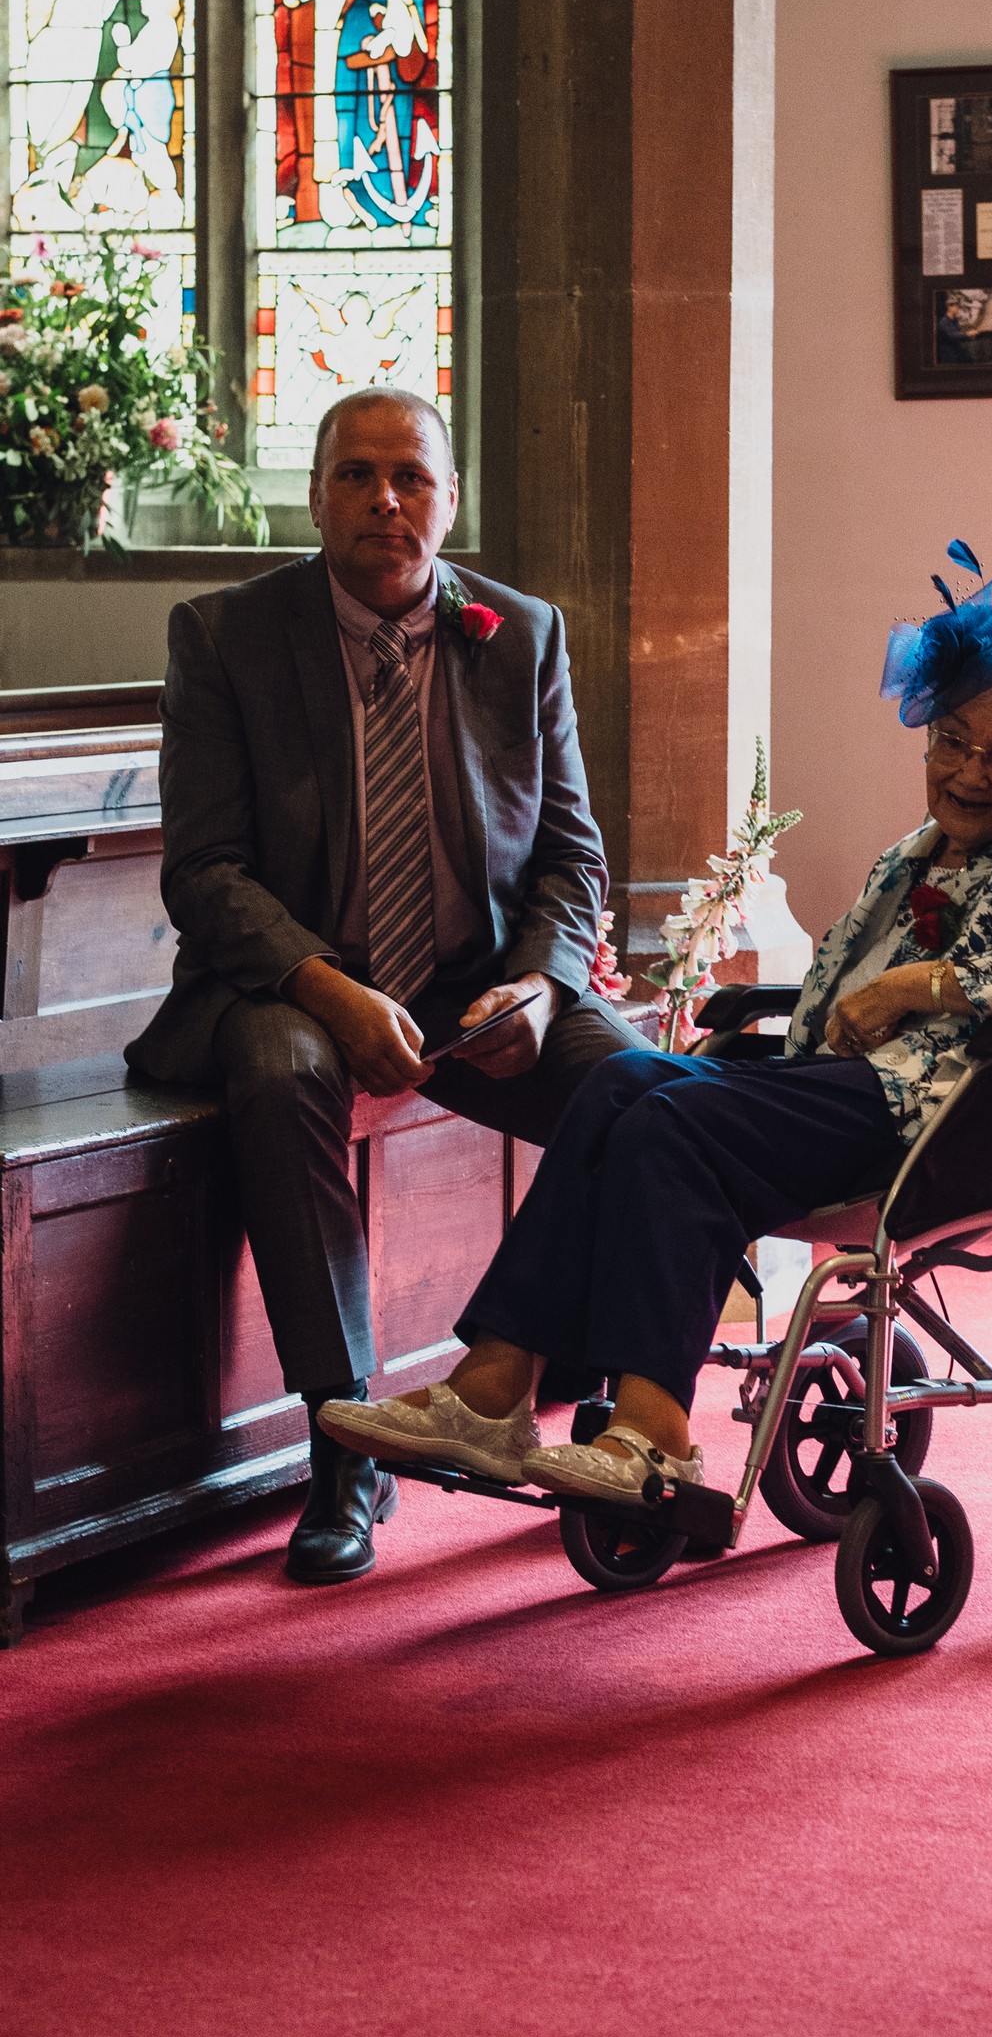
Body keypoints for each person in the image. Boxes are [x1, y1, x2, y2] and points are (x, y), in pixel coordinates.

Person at [321, 544, 992, 1509]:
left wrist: (917, 985)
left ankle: (656, 1434)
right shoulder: (913, 855)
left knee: (673, 1121)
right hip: (842, 1088)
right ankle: (494, 1388)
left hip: (945, 1108)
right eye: (952, 742)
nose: (968, 771)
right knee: (620, 1084)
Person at [126, 386, 635, 1581]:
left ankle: (597, 1394)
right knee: (279, 1064)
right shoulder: (225, 636)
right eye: (355, 475)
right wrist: (326, 987)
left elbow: (572, 856)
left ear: (449, 501)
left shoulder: (525, 634)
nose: (384, 500)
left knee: (641, 1090)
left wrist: (542, 988)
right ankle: (342, 1441)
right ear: (314, 497)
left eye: (410, 476)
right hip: (290, 981)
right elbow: (203, 872)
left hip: (476, 982)